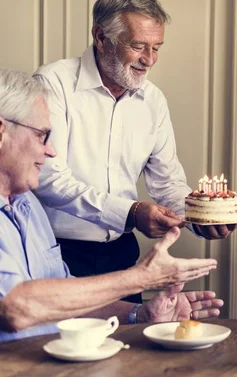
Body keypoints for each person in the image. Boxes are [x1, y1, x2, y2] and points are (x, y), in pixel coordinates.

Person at [32, 0, 235, 303]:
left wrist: (199, 220)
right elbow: (47, 178)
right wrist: (130, 213)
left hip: (123, 254)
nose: (150, 60)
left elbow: (167, 183)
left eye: (157, 48)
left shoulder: (153, 100)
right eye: (138, 46)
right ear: (101, 37)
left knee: (129, 345)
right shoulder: (53, 83)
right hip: (58, 251)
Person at [0, 68, 223, 342]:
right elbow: (16, 308)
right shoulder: (57, 80)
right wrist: (141, 277)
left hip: (48, 366)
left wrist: (141, 314)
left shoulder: (29, 207)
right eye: (42, 135)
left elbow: (67, 300)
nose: (52, 151)